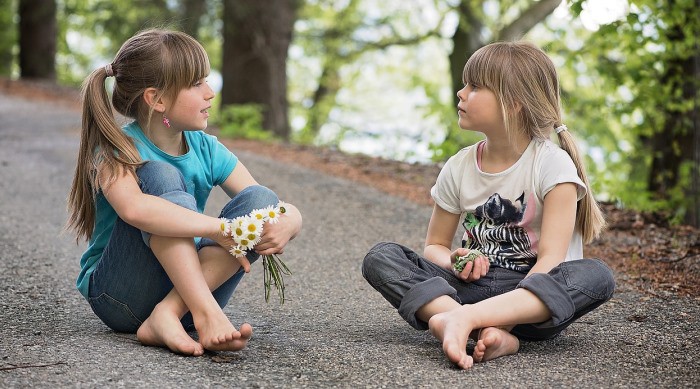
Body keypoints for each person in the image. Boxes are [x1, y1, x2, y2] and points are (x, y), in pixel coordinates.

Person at [362, 41, 615, 369]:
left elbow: (551, 260)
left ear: (514, 103)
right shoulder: (460, 165)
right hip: (467, 289)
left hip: (530, 304)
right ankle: (466, 324)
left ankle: (457, 322)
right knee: (382, 257)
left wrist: (502, 322)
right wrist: (456, 260)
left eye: (475, 87)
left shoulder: (552, 166)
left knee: (595, 275)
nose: (461, 93)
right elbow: (435, 245)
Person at [66, 29, 302, 356]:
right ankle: (203, 313)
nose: (210, 93)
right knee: (160, 174)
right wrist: (220, 229)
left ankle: (170, 313)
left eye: (206, 81)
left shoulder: (206, 148)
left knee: (261, 200)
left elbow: (265, 202)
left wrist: (292, 219)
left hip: (189, 295)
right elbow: (134, 210)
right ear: (157, 99)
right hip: (121, 296)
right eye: (196, 84)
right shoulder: (116, 150)